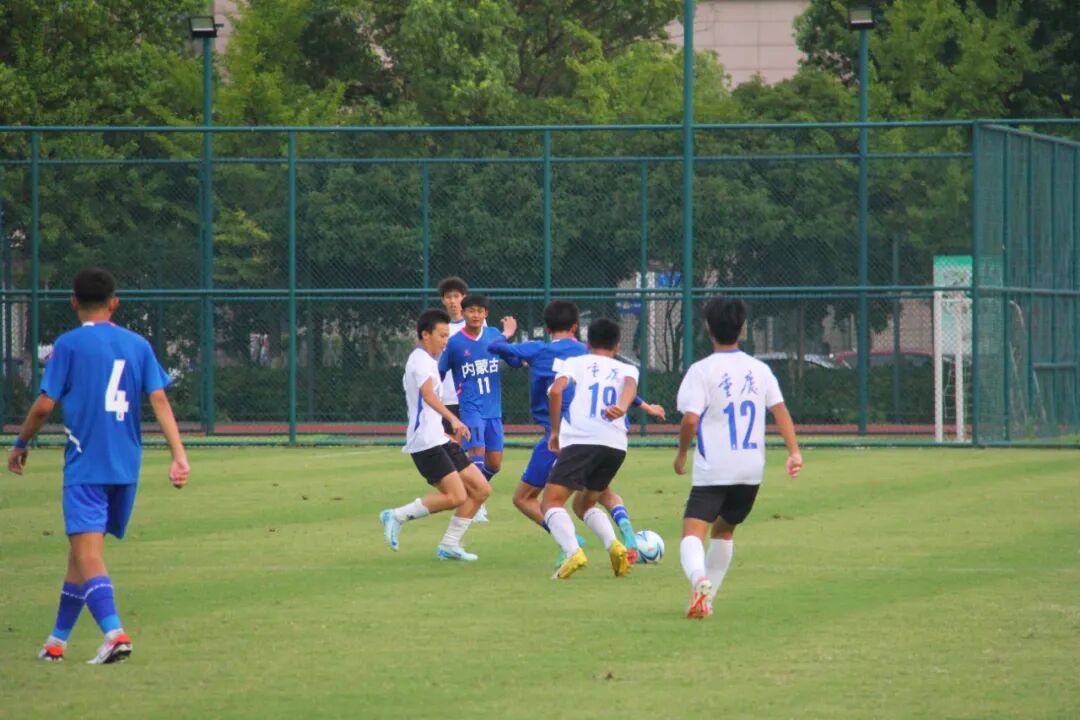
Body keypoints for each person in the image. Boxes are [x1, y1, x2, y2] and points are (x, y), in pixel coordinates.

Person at [6, 268, 190, 664]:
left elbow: (44, 405)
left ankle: (114, 633)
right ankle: (56, 642)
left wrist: (20, 443)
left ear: (73, 302)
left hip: (87, 464)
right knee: (81, 554)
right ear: (114, 303)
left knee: (88, 555)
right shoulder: (138, 344)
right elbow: (159, 400)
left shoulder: (68, 345)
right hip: (125, 466)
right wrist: (179, 455)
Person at [488, 301, 665, 564]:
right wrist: (645, 406)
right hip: (609, 436)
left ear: (547, 327)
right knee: (598, 494)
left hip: (565, 437)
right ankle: (625, 536)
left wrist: (507, 334)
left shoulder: (540, 350)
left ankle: (569, 544)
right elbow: (621, 382)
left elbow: (494, 348)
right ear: (575, 328)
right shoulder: (588, 354)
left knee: (526, 498)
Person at [673, 297, 802, 619]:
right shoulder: (760, 370)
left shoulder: (701, 371)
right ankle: (706, 600)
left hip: (714, 468)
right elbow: (780, 411)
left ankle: (699, 579)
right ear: (742, 328)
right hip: (750, 470)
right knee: (724, 531)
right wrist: (794, 452)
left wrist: (682, 453)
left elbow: (690, 420)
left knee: (692, 533)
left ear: (707, 328)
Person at [379, 308, 491, 561]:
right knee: (456, 496)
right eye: (441, 336)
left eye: (447, 336)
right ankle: (395, 516)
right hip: (425, 444)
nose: (445, 341)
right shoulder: (419, 361)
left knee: (481, 489)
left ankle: (450, 545)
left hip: (438, 439)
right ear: (425, 335)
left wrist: (444, 431)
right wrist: (453, 419)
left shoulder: (430, 360)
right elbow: (428, 396)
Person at [542, 318, 639, 580]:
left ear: (587, 343)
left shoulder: (576, 362)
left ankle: (572, 551)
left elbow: (555, 391)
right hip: (615, 445)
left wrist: (555, 432)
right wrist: (622, 407)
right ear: (617, 345)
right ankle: (614, 546)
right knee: (583, 504)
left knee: (550, 502)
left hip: (582, 440)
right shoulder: (627, 368)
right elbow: (630, 386)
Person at [438, 294, 514, 521]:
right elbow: (439, 373)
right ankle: (476, 502)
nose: (476, 315)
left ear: (486, 314)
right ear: (463, 313)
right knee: (477, 453)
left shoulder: (493, 336)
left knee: (495, 464)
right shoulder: (454, 343)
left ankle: (470, 491)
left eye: (480, 311)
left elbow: (512, 358)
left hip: (494, 410)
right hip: (471, 409)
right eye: (471, 311)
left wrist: (525, 357)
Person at [436, 276, 469, 437]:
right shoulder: (438, 327)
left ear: (464, 297)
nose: (453, 301)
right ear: (443, 300)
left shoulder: (476, 324)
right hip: (446, 396)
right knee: (449, 443)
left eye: (456, 296)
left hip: (469, 397)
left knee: (473, 443)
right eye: (448, 297)